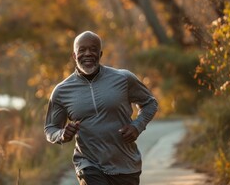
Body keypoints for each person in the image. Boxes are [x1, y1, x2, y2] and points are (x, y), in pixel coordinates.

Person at [44, 31, 158, 185]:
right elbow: (51, 128)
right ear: (74, 55)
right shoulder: (61, 91)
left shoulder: (123, 78)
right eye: (82, 50)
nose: (88, 54)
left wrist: (137, 126)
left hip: (126, 164)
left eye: (93, 49)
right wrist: (62, 134)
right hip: (89, 164)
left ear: (100, 53)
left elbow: (150, 103)